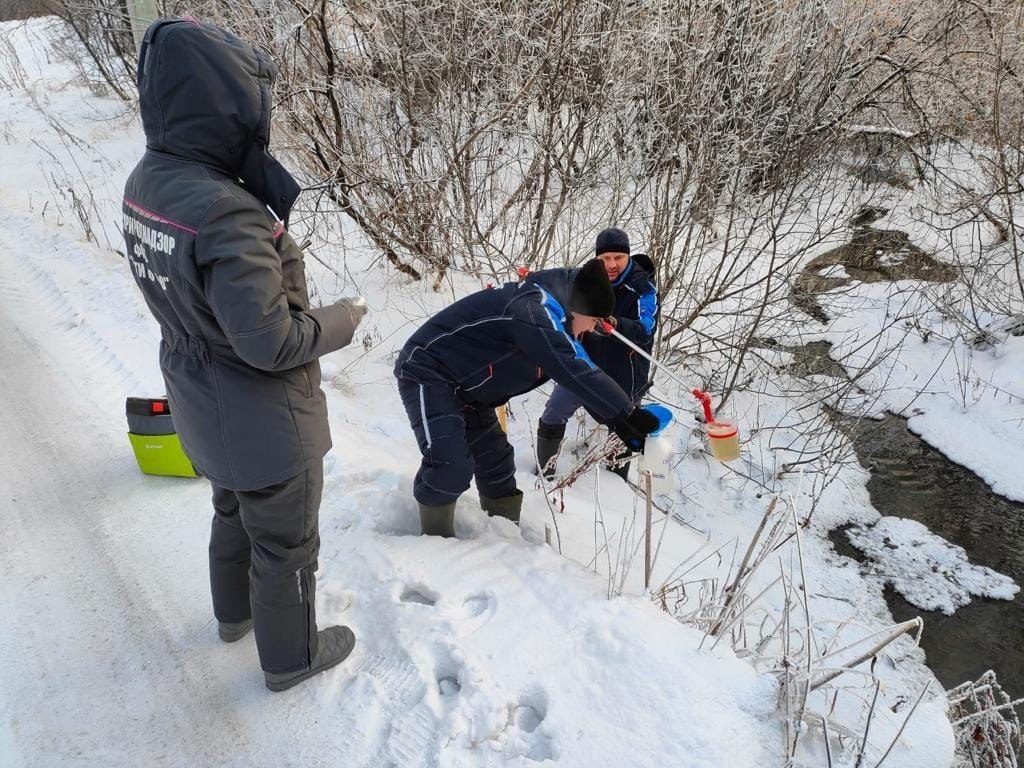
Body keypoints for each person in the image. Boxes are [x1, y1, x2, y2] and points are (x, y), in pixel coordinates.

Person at [122, 18, 366, 692]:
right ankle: (291, 659)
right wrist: (342, 321)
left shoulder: (150, 180)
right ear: (223, 105)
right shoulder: (226, 212)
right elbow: (271, 341)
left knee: (232, 510)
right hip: (264, 419)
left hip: (200, 397)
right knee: (286, 544)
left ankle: (233, 618)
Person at [394, 259, 662, 537]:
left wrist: (622, 418)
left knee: (497, 465)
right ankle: (434, 545)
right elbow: (571, 368)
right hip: (428, 371)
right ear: (581, 306)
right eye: (593, 321)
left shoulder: (558, 316)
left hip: (469, 390)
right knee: (450, 465)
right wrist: (626, 415)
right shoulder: (532, 310)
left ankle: (506, 542)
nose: (590, 329)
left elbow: (585, 371)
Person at [535, 228, 658, 481]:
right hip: (584, 366)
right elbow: (559, 286)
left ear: (628, 257)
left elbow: (646, 330)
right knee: (554, 411)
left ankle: (617, 483)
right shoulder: (588, 279)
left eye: (618, 258)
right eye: (605, 259)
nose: (611, 265)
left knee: (625, 429)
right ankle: (544, 475)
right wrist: (533, 281)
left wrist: (615, 323)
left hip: (625, 374)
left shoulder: (643, 289)